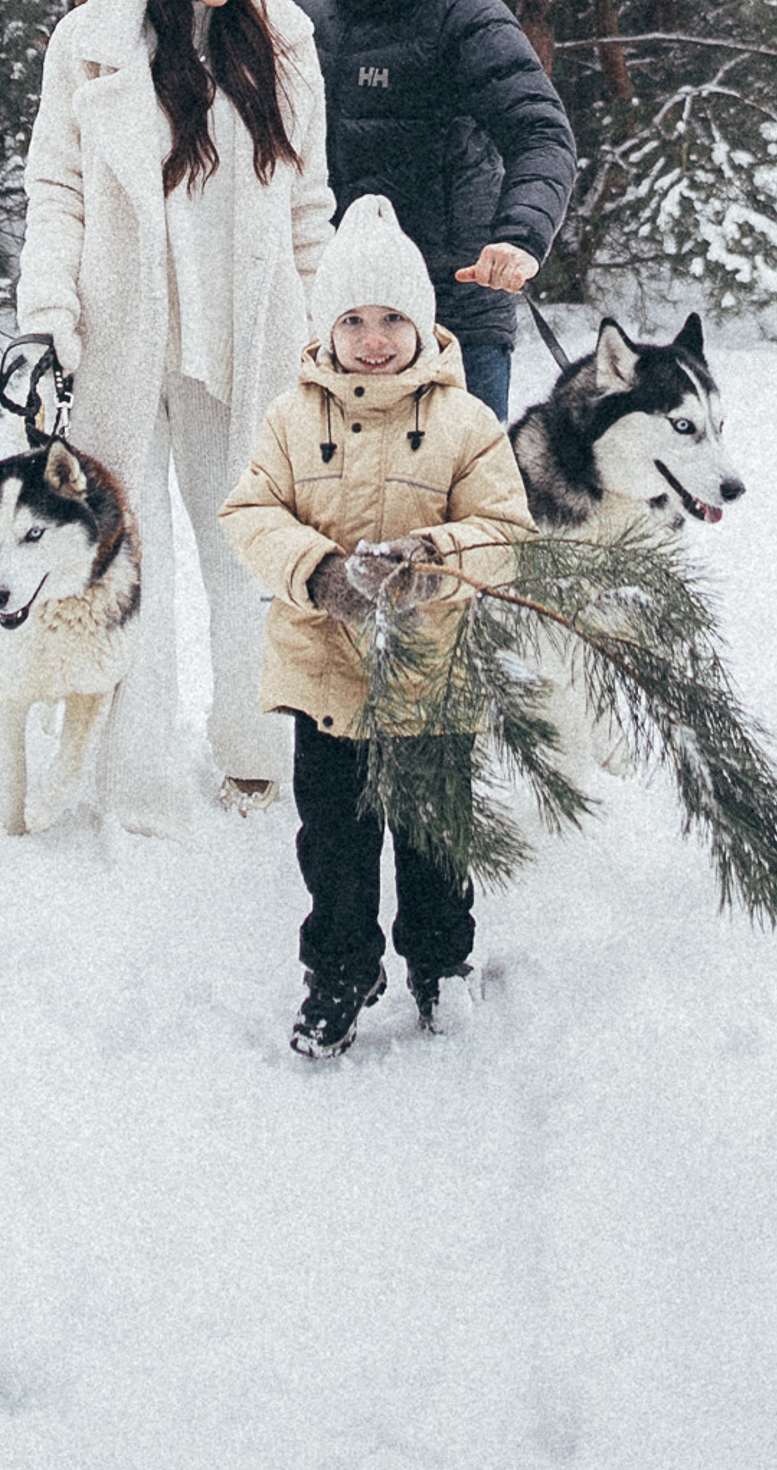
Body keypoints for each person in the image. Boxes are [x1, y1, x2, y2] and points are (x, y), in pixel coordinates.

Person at [18, 0, 334, 833]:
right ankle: (137, 777)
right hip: (123, 336)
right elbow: (56, 191)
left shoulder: (282, 36)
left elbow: (308, 207)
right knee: (129, 557)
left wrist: (323, 339)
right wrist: (46, 320)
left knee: (245, 550)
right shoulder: (95, 42)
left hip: (245, 337)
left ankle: (256, 753)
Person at [218, 194, 534, 1058]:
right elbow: (248, 513)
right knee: (336, 852)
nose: (373, 338)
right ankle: (340, 975)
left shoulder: (467, 423)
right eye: (353, 319)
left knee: (434, 843)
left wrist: (431, 556)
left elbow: (507, 533)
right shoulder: (290, 418)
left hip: (433, 677)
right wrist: (318, 572)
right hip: (326, 679)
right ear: (326, 328)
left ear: (424, 323)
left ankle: (440, 966)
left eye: (393, 317)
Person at [298, 0, 578, 422]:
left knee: (465, 506)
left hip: (455, 317)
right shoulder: (300, 17)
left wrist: (520, 236)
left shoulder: (465, 14)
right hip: (342, 323)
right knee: (339, 508)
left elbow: (541, 133)